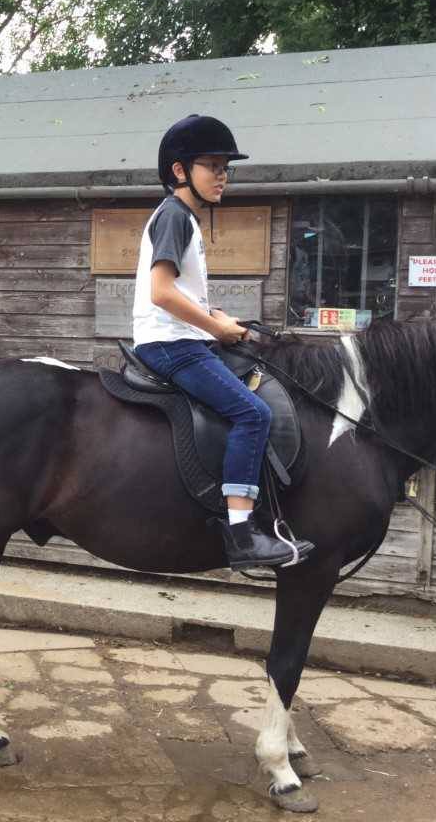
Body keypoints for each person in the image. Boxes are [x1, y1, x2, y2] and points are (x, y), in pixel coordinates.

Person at [131, 114, 314, 569]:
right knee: (253, 413)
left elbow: (183, 294)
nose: (222, 176)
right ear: (180, 170)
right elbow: (161, 292)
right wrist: (215, 330)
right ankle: (242, 535)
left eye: (225, 168)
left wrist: (219, 318)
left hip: (183, 337)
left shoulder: (182, 218)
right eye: (212, 166)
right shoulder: (174, 217)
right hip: (172, 345)